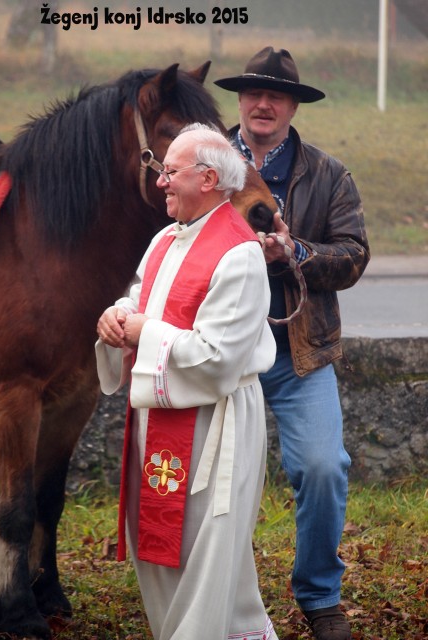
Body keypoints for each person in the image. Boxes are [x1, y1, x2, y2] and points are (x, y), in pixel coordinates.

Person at [95, 124, 279, 640]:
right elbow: (142, 298)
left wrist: (143, 332)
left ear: (209, 178)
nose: (161, 183)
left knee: (207, 557)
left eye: (170, 172)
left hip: (214, 428)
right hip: (160, 422)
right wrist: (116, 317)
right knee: (162, 552)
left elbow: (218, 358)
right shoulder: (165, 238)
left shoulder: (238, 254)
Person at [214, 47, 370, 640]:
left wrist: (295, 251)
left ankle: (320, 598)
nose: (262, 103)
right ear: (240, 100)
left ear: (292, 106)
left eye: (275, 95)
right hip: (220, 354)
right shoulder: (201, 164)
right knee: (215, 482)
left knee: (325, 468)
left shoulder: (329, 175)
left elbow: (354, 256)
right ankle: (214, 590)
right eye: (253, 92)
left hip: (297, 355)